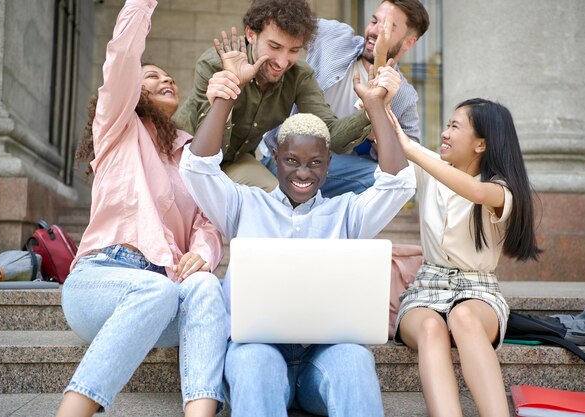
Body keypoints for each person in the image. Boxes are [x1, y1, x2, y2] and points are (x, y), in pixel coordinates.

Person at [178, 30, 416, 417]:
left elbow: (399, 183)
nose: (303, 173)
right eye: (291, 161)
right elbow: (197, 167)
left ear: (328, 165)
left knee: (355, 361)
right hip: (259, 350)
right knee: (254, 363)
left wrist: (375, 107)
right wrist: (226, 96)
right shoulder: (243, 204)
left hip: (324, 356)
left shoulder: (346, 214)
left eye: (315, 163)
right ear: (275, 154)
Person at [55, 1, 226, 416]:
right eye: (153, 76)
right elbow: (123, 55)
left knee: (206, 287)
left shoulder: (190, 154)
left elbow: (208, 221)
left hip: (162, 295)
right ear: (135, 89)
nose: (166, 78)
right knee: (155, 288)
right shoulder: (117, 128)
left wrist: (202, 254)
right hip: (101, 281)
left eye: (169, 76)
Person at [392, 98, 542, 417]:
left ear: (481, 144)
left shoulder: (502, 192)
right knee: (431, 329)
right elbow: (388, 136)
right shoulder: (428, 167)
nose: (445, 133)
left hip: (479, 292)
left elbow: (474, 193)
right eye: (447, 125)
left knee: (464, 318)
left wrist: (412, 149)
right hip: (425, 288)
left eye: (455, 126)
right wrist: (378, 89)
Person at [174, 0, 401, 192]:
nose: (282, 62)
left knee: (275, 198)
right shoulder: (215, 63)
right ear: (251, 34)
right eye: (274, 46)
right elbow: (206, 155)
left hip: (238, 160)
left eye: (294, 51)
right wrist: (230, 92)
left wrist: (373, 105)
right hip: (183, 156)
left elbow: (333, 136)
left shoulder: (298, 76)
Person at [262, 0, 430, 197]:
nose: (375, 31)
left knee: (395, 179)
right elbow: (287, 22)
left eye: (386, 27)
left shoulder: (404, 96)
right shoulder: (335, 36)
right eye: (374, 21)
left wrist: (377, 129)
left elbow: (408, 157)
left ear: (409, 42)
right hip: (281, 157)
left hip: (335, 170)